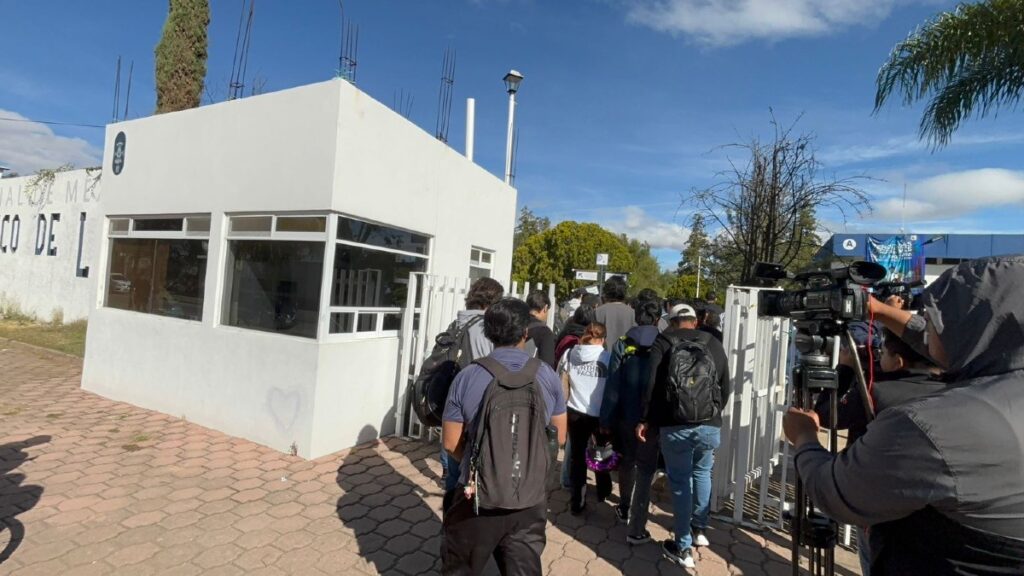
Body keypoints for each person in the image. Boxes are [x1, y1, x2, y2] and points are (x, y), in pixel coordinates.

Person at [783, 255, 1024, 575]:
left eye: (934, 318)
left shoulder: (931, 426)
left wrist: (804, 437)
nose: (924, 324)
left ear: (963, 331)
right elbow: (940, 340)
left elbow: (836, 492)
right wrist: (881, 312)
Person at [441, 298, 568, 575]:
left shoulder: (468, 376)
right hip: (530, 497)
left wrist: (480, 461)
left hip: (477, 496)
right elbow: (559, 438)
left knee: (461, 568)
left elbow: (450, 443)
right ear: (526, 332)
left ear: (488, 333)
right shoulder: (547, 375)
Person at [638, 303, 731, 569]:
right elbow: (725, 385)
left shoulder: (663, 342)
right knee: (702, 473)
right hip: (709, 423)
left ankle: (683, 545)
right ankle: (700, 529)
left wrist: (645, 418)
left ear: (672, 322)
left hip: (674, 424)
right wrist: (712, 412)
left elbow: (651, 385)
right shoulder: (712, 343)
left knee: (679, 483)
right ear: (694, 321)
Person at [600, 291, 661, 542]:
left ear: (636, 318)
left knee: (626, 461)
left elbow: (613, 384)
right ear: (658, 319)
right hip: (654, 416)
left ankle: (625, 505)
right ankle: (639, 511)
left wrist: (606, 418)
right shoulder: (664, 343)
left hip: (626, 413)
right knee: (648, 466)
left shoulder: (623, 344)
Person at [440, 277, 504, 511]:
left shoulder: (458, 322)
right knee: (470, 470)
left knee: (452, 465)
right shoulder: (483, 328)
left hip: (452, 401)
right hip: (474, 405)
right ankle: (465, 516)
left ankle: (450, 518)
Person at [558, 322, 613, 514]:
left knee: (577, 457)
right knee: (601, 452)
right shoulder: (608, 358)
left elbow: (561, 382)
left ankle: (577, 502)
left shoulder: (570, 354)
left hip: (575, 411)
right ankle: (603, 490)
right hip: (600, 414)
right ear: (603, 339)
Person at [595, 275, 635, 348]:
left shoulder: (598, 311)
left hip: (603, 353)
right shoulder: (632, 313)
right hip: (626, 353)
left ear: (606, 291)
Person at [524, 290, 557, 368]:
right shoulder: (545, 333)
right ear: (545, 308)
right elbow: (547, 366)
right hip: (531, 374)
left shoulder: (515, 324)